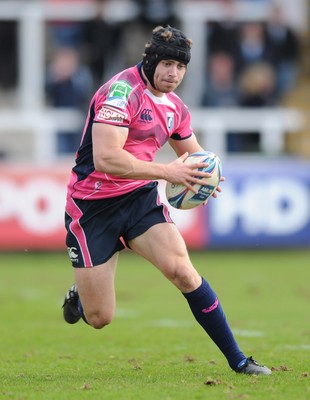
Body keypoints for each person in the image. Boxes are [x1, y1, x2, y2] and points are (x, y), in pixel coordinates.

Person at [62, 25, 271, 376]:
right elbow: (106, 160)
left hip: (139, 201)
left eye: (181, 67)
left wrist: (205, 178)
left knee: (183, 273)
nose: (173, 74)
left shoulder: (175, 107)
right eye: (167, 64)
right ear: (151, 60)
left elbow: (196, 156)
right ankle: (82, 296)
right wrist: (168, 172)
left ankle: (239, 361)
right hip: (92, 207)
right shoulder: (120, 92)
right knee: (101, 318)